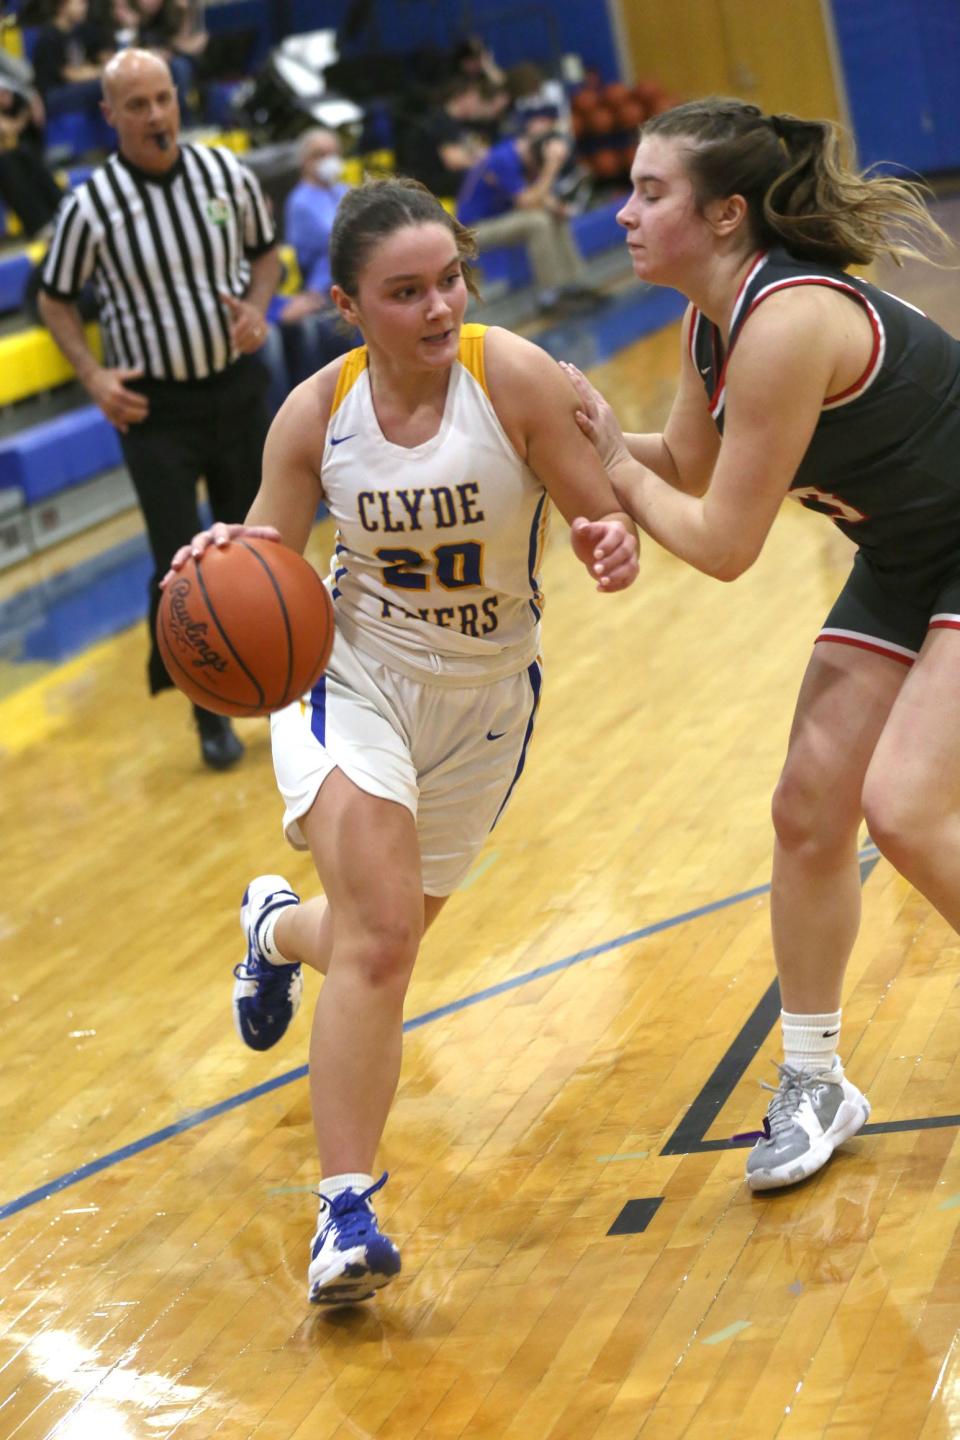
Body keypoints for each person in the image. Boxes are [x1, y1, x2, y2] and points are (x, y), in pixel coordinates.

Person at [162, 177, 639, 1304]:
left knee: (376, 942)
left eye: (450, 282)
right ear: (348, 305)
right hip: (351, 679)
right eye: (406, 291)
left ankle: (274, 931)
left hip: (486, 701)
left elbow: (593, 504)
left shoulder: (509, 375)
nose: (438, 307)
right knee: (380, 942)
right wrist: (216, 561)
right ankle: (343, 1214)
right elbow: (264, 567)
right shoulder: (313, 415)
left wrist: (612, 540)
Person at [561, 95, 960, 1193]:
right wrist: (559, 437)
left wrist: (618, 473)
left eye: (651, 193)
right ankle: (817, 1079)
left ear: (726, 213)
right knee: (806, 805)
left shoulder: (785, 322)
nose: (624, 214)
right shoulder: (711, 318)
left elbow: (725, 540)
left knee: (908, 804)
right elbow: (687, 467)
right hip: (907, 553)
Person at [38, 48, 280, 770]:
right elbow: (52, 296)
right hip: (155, 411)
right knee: (179, 569)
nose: (156, 116)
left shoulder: (223, 174)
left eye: (163, 99)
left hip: (235, 391)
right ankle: (208, 711)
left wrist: (259, 311)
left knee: (260, 551)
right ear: (109, 116)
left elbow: (265, 254)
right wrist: (92, 376)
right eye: (137, 105)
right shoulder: (90, 205)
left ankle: (278, 683)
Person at [456, 111, 599, 316]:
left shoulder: (523, 154)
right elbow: (528, 201)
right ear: (536, 159)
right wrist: (552, 166)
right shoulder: (503, 159)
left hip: (497, 219)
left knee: (554, 216)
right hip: (471, 231)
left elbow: (539, 196)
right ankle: (550, 297)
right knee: (537, 222)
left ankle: (574, 285)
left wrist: (560, 209)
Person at [276, 126, 355, 387]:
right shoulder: (300, 202)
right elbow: (332, 247)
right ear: (304, 161)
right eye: (320, 154)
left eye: (333, 153)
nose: (329, 160)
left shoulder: (343, 191)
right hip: (323, 291)